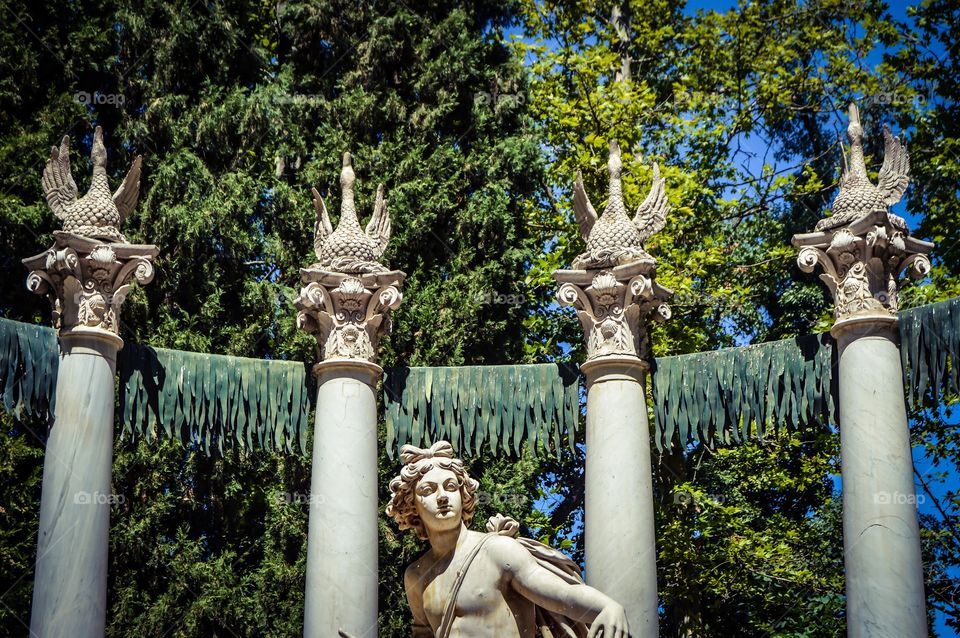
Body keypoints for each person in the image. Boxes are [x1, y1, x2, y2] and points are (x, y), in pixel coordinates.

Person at [385, 441, 629, 638]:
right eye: (428, 490)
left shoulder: (497, 551)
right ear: (411, 506)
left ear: (463, 494)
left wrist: (606, 607)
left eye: (450, 487)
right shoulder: (416, 576)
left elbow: (562, 595)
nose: (442, 497)